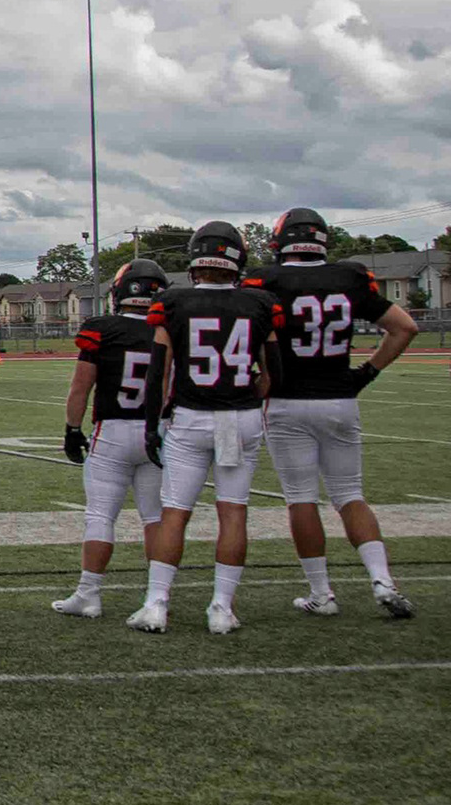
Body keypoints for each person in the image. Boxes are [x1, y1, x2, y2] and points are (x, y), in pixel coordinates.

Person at [249, 208, 418, 617]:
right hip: (340, 399)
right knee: (350, 494)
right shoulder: (348, 277)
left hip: (287, 402)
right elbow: (405, 327)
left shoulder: (264, 281)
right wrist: (366, 373)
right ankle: (383, 581)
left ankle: (321, 594)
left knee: (301, 499)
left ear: (279, 242)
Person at [127, 221, 285, 635]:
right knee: (232, 511)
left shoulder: (174, 302)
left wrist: (152, 425)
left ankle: (156, 604)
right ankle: (220, 608)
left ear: (195, 259)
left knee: (175, 512)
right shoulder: (259, 303)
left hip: (192, 417)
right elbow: (274, 374)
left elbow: (158, 374)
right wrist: (249, 396)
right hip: (240, 417)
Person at [52, 259, 168, 618]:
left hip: (113, 432)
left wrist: (72, 429)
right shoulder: (170, 329)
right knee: (155, 518)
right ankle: (157, 597)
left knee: (100, 515)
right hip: (157, 433)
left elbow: (81, 387)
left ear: (119, 293)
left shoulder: (103, 329)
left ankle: (89, 594)